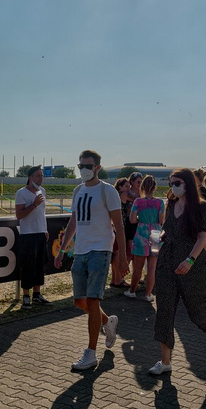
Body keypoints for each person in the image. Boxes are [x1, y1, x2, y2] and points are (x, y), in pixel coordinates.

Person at [148, 168, 206, 375]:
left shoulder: (201, 207)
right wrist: (160, 236)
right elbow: (168, 228)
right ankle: (165, 361)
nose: (172, 186)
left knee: (198, 313)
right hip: (167, 263)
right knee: (164, 312)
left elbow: (202, 237)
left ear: (187, 184)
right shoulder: (172, 203)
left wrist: (190, 260)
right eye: (171, 182)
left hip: (192, 265)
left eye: (176, 182)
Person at [53, 150, 127, 371]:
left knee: (93, 301)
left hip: (100, 250)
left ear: (97, 167)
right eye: (80, 166)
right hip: (81, 251)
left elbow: (119, 226)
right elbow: (73, 222)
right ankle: (107, 322)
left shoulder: (108, 191)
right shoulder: (78, 190)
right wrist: (63, 249)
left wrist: (122, 256)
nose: (83, 170)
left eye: (88, 166)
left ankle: (91, 353)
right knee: (80, 301)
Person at [125, 175, 165, 302]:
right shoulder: (160, 202)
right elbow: (161, 220)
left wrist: (140, 219)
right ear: (155, 188)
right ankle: (148, 294)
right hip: (155, 234)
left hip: (141, 233)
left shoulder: (138, 202)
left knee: (138, 266)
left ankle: (132, 291)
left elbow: (132, 220)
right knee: (152, 267)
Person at [15, 166, 50, 307]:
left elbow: (43, 213)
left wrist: (45, 229)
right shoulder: (21, 193)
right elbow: (19, 215)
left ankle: (37, 293)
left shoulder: (43, 191)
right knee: (28, 265)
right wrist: (34, 204)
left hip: (40, 232)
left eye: (41, 176)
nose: (40, 178)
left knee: (40, 265)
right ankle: (25, 295)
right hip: (28, 234)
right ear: (30, 177)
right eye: (37, 176)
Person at [110, 177, 133, 288]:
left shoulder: (120, 197)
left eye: (129, 186)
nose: (128, 188)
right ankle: (118, 278)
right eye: (126, 186)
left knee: (116, 253)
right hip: (118, 227)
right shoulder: (121, 196)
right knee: (117, 253)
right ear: (120, 187)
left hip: (120, 227)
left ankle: (115, 278)